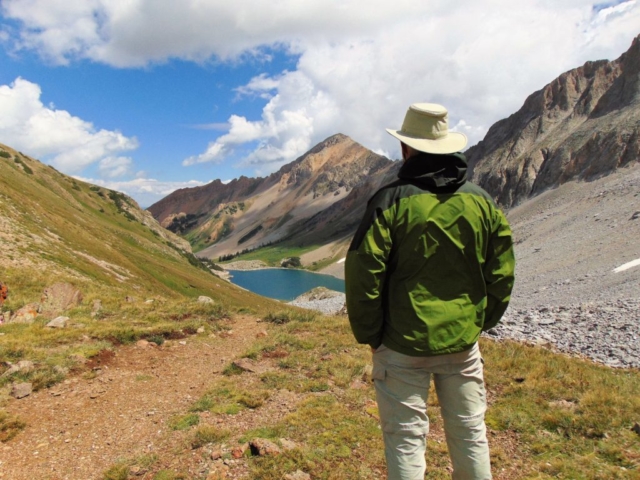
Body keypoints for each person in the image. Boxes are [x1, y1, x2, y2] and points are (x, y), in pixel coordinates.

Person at [345, 103, 515, 479]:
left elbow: (362, 273)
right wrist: (479, 322)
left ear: (407, 148)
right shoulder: (482, 202)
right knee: (471, 434)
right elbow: (501, 272)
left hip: (401, 345)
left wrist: (372, 335)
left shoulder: (390, 200)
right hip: (462, 343)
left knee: (406, 439)